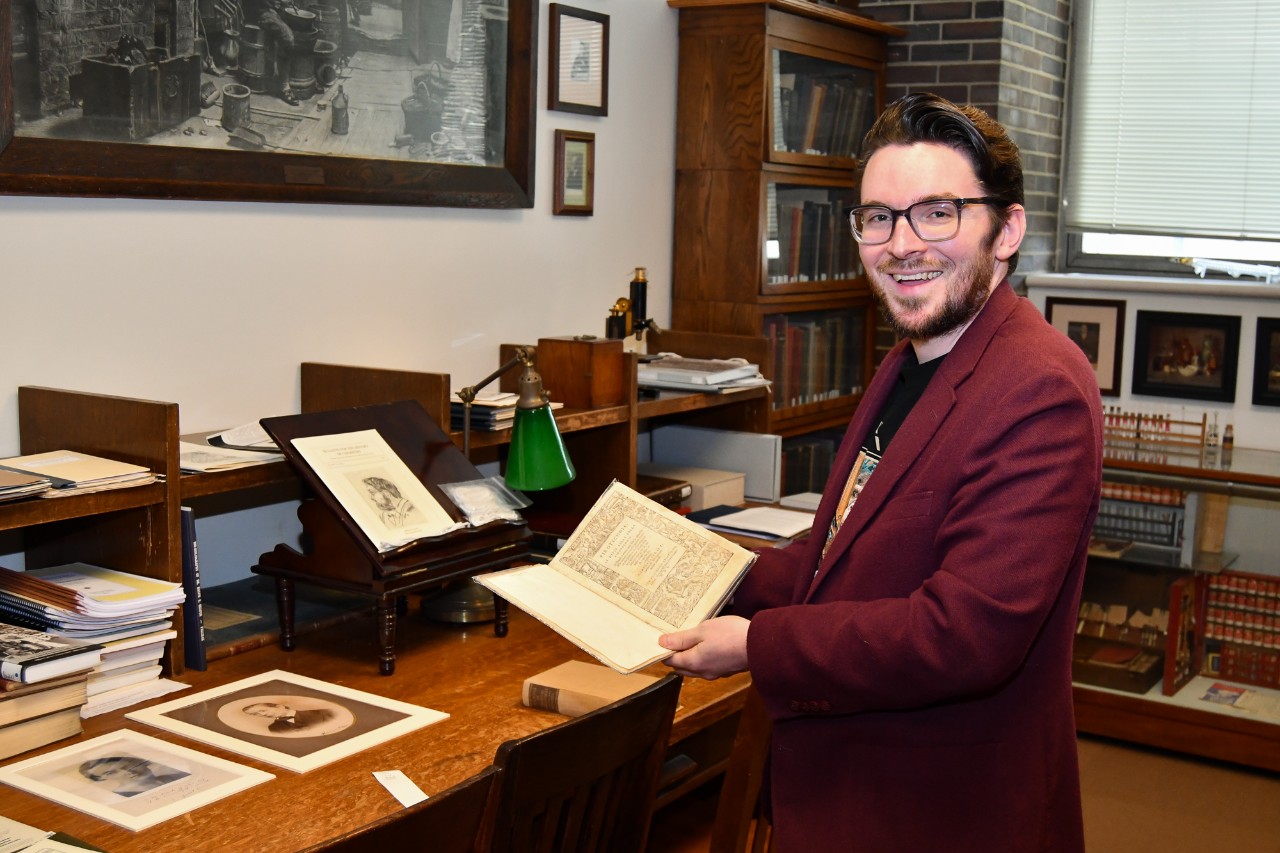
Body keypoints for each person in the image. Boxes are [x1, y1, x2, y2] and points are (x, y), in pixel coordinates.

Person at [659, 92, 1103, 852]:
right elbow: (847, 550)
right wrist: (704, 568)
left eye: (938, 213)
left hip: (942, 813)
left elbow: (964, 634)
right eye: (878, 217)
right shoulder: (912, 358)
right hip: (851, 794)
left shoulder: (1039, 386)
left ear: (1008, 230)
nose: (902, 244)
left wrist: (756, 644)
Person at [239, 0, 300, 105]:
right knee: (288, 38)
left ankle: (293, 76)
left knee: (294, 22)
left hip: (267, 8)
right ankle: (284, 86)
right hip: (257, 12)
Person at [78, 756, 189, 796]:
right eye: (110, 773)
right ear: (101, 779)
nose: (128, 772)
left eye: (127, 766)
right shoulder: (123, 799)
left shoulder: (178, 775)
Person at [242, 700, 337, 734]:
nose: (262, 715)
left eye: (262, 710)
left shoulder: (321, 712)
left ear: (279, 706)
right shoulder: (274, 729)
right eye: (256, 714)